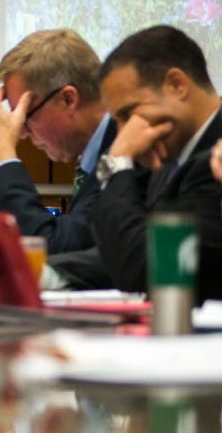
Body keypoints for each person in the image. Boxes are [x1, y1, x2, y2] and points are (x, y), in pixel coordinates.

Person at [85, 25, 222, 301]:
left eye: (129, 113)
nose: (125, 134)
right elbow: (115, 247)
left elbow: (143, 267)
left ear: (177, 85)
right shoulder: (165, 160)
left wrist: (116, 162)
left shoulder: (215, 160)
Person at [0, 28, 116, 254]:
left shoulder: (131, 153)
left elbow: (52, 249)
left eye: (25, 116)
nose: (22, 134)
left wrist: (1, 158)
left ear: (68, 99)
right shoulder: (99, 153)